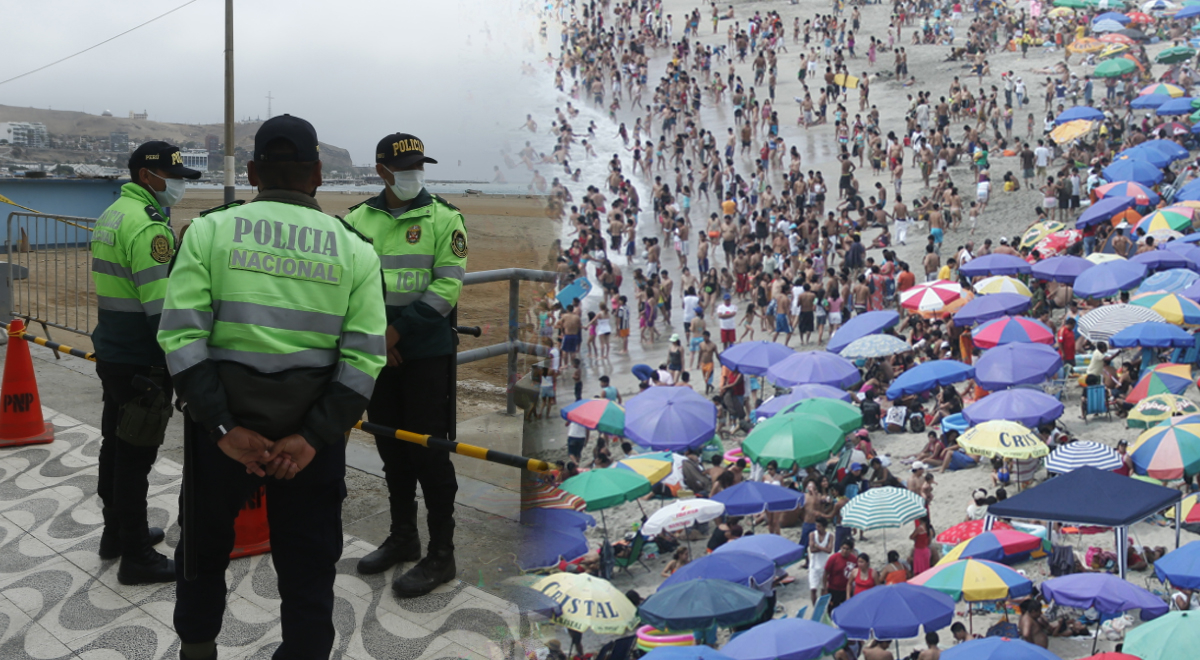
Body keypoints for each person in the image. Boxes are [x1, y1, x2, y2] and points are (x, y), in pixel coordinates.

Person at [159, 115, 387, 660]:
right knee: (309, 569)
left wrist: (223, 429)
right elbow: (363, 360)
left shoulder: (209, 231)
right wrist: (312, 437)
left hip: (220, 439)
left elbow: (180, 338)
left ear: (255, 171)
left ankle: (197, 647)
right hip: (309, 449)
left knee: (203, 552)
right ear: (318, 174)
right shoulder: (355, 250)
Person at [347, 133, 468, 596]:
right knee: (390, 449)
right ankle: (403, 537)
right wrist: (375, 336)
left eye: (420, 165)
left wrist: (394, 333)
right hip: (379, 355)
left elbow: (446, 287)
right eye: (406, 167)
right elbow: (349, 285)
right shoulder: (357, 219)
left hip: (424, 356)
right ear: (382, 171)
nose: (415, 174)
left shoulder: (445, 218)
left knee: (429, 454)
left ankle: (443, 554)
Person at [91, 140, 201, 584]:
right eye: (172, 178)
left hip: (114, 350)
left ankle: (115, 534)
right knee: (136, 456)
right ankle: (137, 555)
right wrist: (186, 366)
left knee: (114, 446)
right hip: (142, 359)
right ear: (146, 177)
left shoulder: (113, 214)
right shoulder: (150, 229)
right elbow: (163, 313)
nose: (177, 186)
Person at [808, 517, 834, 604]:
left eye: (819, 526)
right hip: (814, 566)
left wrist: (818, 546)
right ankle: (814, 606)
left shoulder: (830, 536)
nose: (817, 528)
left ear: (824, 527)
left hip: (824, 565)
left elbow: (829, 550)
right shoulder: (812, 534)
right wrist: (824, 548)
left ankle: (822, 607)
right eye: (816, 526)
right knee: (813, 589)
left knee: (824, 589)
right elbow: (812, 549)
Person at [824, 538, 856, 610]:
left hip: (846, 590)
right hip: (833, 589)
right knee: (832, 609)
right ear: (840, 547)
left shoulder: (854, 560)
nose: (845, 551)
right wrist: (825, 588)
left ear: (851, 550)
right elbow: (825, 573)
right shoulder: (833, 558)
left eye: (847, 549)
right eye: (843, 548)